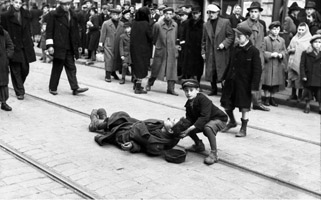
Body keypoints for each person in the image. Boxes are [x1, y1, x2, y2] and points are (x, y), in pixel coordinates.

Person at [88, 108, 191, 156]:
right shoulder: (164, 127)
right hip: (131, 126)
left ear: (171, 130)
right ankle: (105, 120)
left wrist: (132, 146)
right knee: (122, 114)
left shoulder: (156, 144)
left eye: (172, 121)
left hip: (124, 135)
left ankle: (96, 124)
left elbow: (144, 148)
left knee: (117, 121)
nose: (169, 118)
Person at [220, 25, 262, 137]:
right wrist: (224, 78)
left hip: (244, 84)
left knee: (244, 107)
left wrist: (254, 87)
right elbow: (229, 65)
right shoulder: (234, 49)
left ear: (247, 37)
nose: (237, 38)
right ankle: (232, 121)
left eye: (239, 36)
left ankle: (243, 128)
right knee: (226, 104)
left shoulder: (253, 51)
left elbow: (257, 71)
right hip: (231, 81)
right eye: (236, 35)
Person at [46, 0, 89, 96]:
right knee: (57, 67)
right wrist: (50, 46)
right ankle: (52, 88)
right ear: (60, 5)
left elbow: (75, 31)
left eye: (68, 4)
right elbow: (49, 31)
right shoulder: (54, 15)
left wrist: (78, 45)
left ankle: (75, 88)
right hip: (58, 45)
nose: (67, 7)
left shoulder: (73, 15)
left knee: (71, 67)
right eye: (65, 5)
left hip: (70, 46)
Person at [179, 79, 227, 165]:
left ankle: (214, 154)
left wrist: (189, 129)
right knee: (186, 125)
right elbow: (189, 120)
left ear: (197, 90)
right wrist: (181, 129)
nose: (188, 93)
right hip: (207, 120)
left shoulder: (203, 100)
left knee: (207, 128)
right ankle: (199, 145)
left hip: (219, 119)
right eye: (186, 91)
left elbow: (204, 117)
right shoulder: (189, 103)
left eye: (191, 90)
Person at [0, 0, 36, 100]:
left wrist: (31, 40)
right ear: (12, 2)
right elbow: (3, 32)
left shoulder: (26, 14)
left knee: (25, 69)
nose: (18, 5)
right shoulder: (5, 15)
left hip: (25, 45)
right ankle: (20, 91)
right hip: (13, 45)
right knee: (15, 69)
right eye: (16, 2)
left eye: (20, 3)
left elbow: (28, 29)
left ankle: (19, 85)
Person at [237, 2, 269, 111]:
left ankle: (257, 102)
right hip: (246, 56)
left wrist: (263, 53)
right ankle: (245, 102)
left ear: (259, 13)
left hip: (258, 56)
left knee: (258, 79)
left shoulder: (261, 25)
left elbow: (263, 41)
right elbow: (237, 42)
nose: (253, 14)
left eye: (256, 12)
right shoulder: (242, 25)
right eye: (251, 12)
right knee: (245, 79)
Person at [201, 3, 234, 96]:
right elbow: (203, 40)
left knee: (223, 71)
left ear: (218, 13)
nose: (211, 14)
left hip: (222, 52)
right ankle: (213, 89)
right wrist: (203, 51)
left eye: (213, 12)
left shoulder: (225, 22)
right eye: (209, 12)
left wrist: (224, 44)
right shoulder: (206, 25)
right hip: (210, 52)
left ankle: (225, 90)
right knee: (212, 71)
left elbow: (231, 36)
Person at [146, 7, 180, 96]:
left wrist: (174, 47)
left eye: (170, 14)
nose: (168, 16)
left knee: (171, 70)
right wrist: (158, 45)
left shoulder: (175, 25)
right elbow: (154, 37)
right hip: (161, 50)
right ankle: (149, 83)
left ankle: (170, 88)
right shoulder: (158, 24)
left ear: (172, 15)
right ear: (163, 14)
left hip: (171, 50)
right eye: (166, 14)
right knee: (156, 69)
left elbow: (175, 37)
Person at [262, 21, 287, 107]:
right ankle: (266, 98)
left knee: (275, 83)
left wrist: (281, 54)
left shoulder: (282, 40)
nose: (276, 31)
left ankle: (272, 98)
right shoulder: (265, 39)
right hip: (268, 64)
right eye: (274, 29)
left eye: (278, 29)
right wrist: (270, 54)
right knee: (267, 82)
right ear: (270, 30)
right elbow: (262, 51)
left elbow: (284, 50)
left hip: (277, 64)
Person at [130, 7, 153, 94]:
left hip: (134, 49)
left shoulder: (134, 23)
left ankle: (136, 84)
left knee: (136, 67)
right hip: (143, 50)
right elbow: (150, 37)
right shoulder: (145, 24)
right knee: (142, 68)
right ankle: (138, 88)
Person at [287, 22, 312, 101]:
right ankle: (293, 94)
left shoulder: (308, 39)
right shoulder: (294, 38)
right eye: (299, 29)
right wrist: (291, 50)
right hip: (292, 61)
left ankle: (300, 95)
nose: (300, 31)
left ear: (306, 30)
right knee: (293, 78)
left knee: (300, 78)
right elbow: (288, 48)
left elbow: (309, 50)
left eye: (302, 30)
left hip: (301, 62)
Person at [99, 8, 124, 82]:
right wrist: (101, 45)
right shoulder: (106, 23)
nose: (115, 16)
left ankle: (113, 72)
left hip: (117, 44)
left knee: (116, 59)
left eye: (117, 14)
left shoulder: (121, 24)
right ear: (111, 15)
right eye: (113, 14)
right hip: (108, 44)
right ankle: (107, 74)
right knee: (109, 59)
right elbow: (102, 34)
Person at [181, 7, 204, 83]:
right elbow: (182, 35)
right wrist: (183, 46)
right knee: (188, 66)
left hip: (198, 49)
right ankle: (188, 82)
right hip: (188, 49)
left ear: (200, 13)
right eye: (193, 13)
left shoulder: (203, 24)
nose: (195, 15)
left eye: (196, 13)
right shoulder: (187, 23)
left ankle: (198, 82)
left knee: (198, 67)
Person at [300, 34, 321, 114]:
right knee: (308, 92)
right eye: (315, 42)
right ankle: (307, 105)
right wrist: (303, 75)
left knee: (320, 93)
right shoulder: (306, 53)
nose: (318, 44)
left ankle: (320, 107)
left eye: (319, 42)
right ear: (312, 43)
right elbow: (302, 65)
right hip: (309, 75)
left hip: (319, 76)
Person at [0, 23, 14, 111]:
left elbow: (10, 45)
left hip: (1, 62)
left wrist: (7, 56)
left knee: (3, 83)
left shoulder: (3, 33)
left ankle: (3, 102)